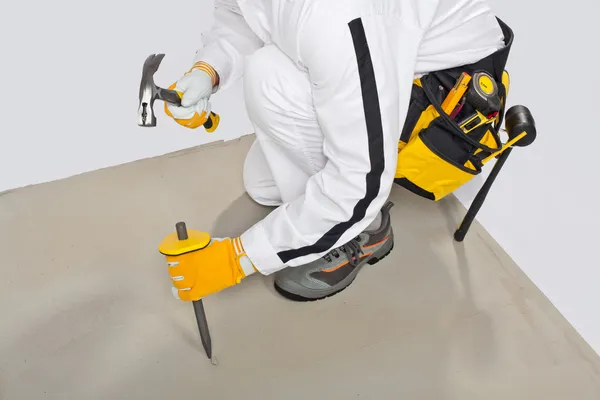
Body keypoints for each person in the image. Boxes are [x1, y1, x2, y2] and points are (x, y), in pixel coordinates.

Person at [163, 0, 508, 302]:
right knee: (263, 182)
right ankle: (317, 218)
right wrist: (209, 69)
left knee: (269, 77)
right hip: (369, 42)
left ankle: (368, 230)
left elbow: (360, 184)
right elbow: (245, 12)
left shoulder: (337, 15)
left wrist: (238, 257)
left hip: (448, 99)